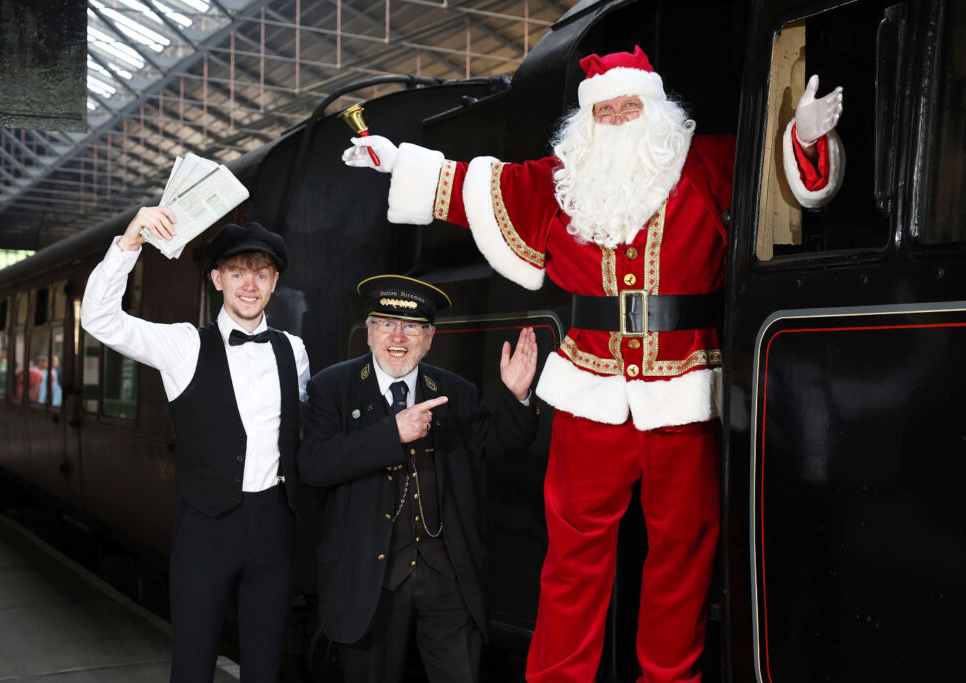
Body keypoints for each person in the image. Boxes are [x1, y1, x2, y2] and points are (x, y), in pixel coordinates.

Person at [341, 47, 844, 683]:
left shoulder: (704, 163)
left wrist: (801, 138)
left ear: (653, 108)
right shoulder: (560, 183)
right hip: (591, 395)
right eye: (602, 111)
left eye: (626, 106)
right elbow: (477, 184)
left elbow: (778, 175)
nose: (613, 119)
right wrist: (398, 164)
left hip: (683, 390)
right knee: (573, 560)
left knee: (682, 557)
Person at [81, 207, 310, 683]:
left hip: (275, 527)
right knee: (192, 665)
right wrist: (131, 240)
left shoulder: (294, 349)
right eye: (237, 272)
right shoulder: (183, 345)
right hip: (205, 528)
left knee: (266, 668)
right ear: (217, 279)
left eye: (261, 274)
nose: (250, 285)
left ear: (274, 283)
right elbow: (100, 320)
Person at [297, 275, 539, 683]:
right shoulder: (332, 388)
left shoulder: (454, 391)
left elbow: (497, 442)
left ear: (429, 338)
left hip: (446, 574)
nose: (398, 336)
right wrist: (392, 433)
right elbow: (315, 464)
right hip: (369, 579)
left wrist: (516, 397)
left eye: (411, 327)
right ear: (370, 331)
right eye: (387, 324)